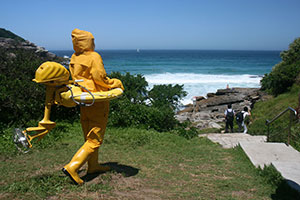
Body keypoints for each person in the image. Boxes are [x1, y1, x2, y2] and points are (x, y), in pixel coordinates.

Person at [62, 28, 124, 185]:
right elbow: (99, 77)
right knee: (94, 139)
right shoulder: (94, 56)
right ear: (87, 42)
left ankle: (93, 166)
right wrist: (114, 83)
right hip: (97, 101)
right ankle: (73, 167)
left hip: (84, 100)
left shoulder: (75, 57)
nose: (94, 43)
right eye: (92, 40)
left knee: (88, 134)